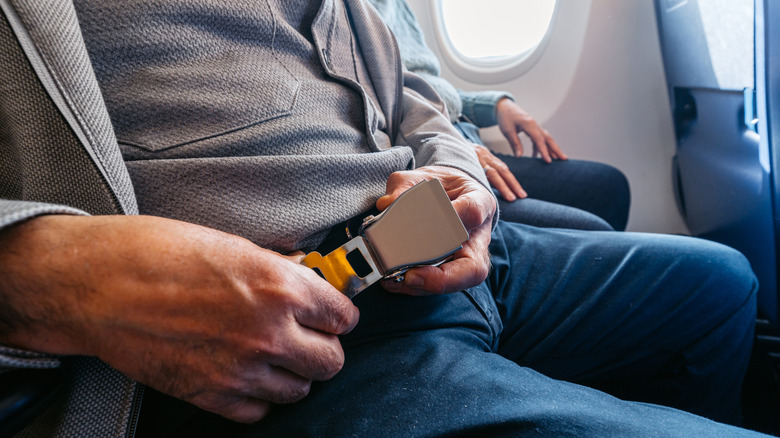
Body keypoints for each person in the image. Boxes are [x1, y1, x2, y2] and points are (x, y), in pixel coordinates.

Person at [0, 0, 767, 437]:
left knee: (722, 287)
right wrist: (57, 273)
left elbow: (416, 97)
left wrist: (455, 171)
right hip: (287, 331)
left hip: (429, 251)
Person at [368, 0, 631, 232]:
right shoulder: (348, 12)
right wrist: (452, 150)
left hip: (456, 133)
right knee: (594, 229)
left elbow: (426, 87)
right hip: (429, 151)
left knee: (609, 188)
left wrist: (495, 106)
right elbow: (379, 105)